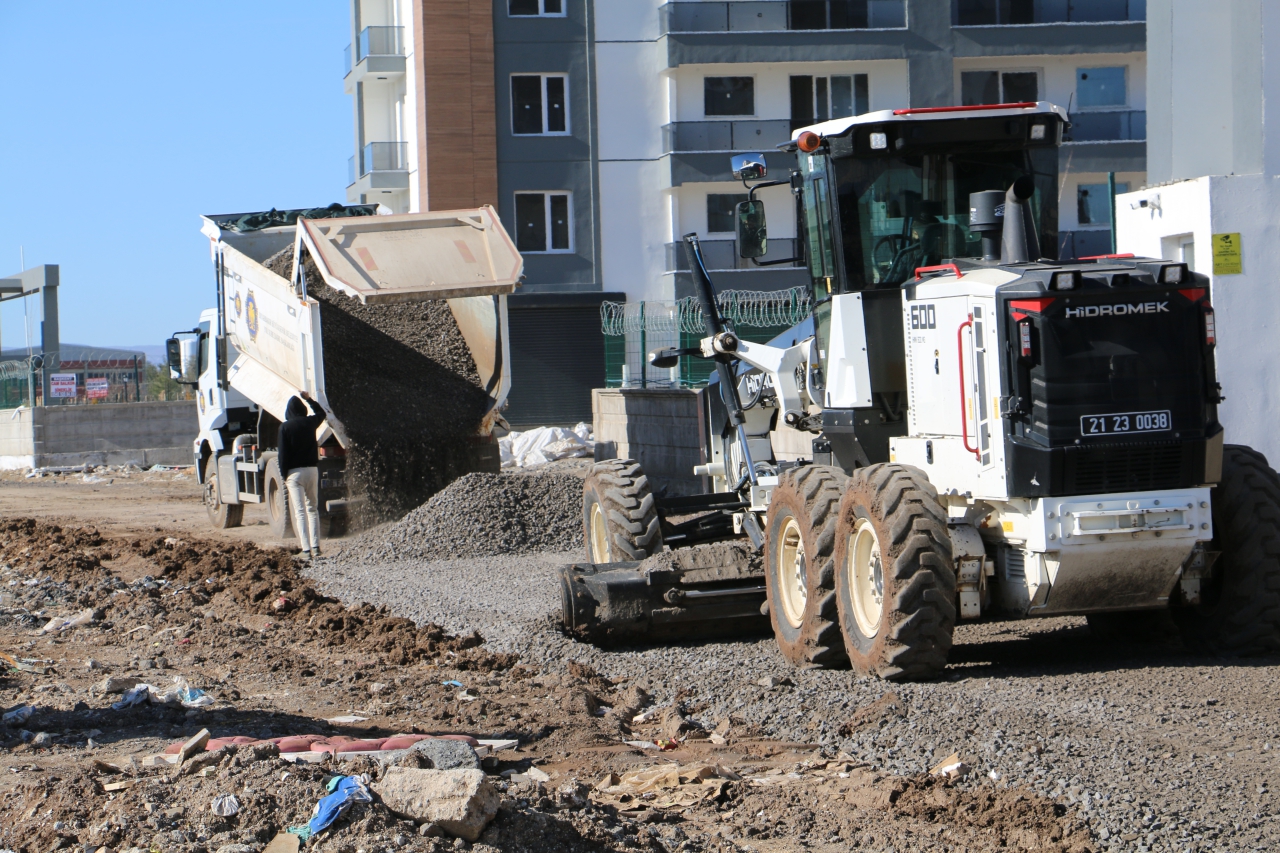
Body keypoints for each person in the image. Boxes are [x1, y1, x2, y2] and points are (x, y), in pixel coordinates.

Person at [278, 390, 327, 560]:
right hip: (312, 470)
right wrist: (309, 400)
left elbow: (282, 455)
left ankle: (306, 550)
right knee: (313, 509)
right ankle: (316, 547)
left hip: (294, 474)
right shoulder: (310, 423)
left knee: (300, 512)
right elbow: (322, 413)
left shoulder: (284, 427)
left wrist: (284, 476)